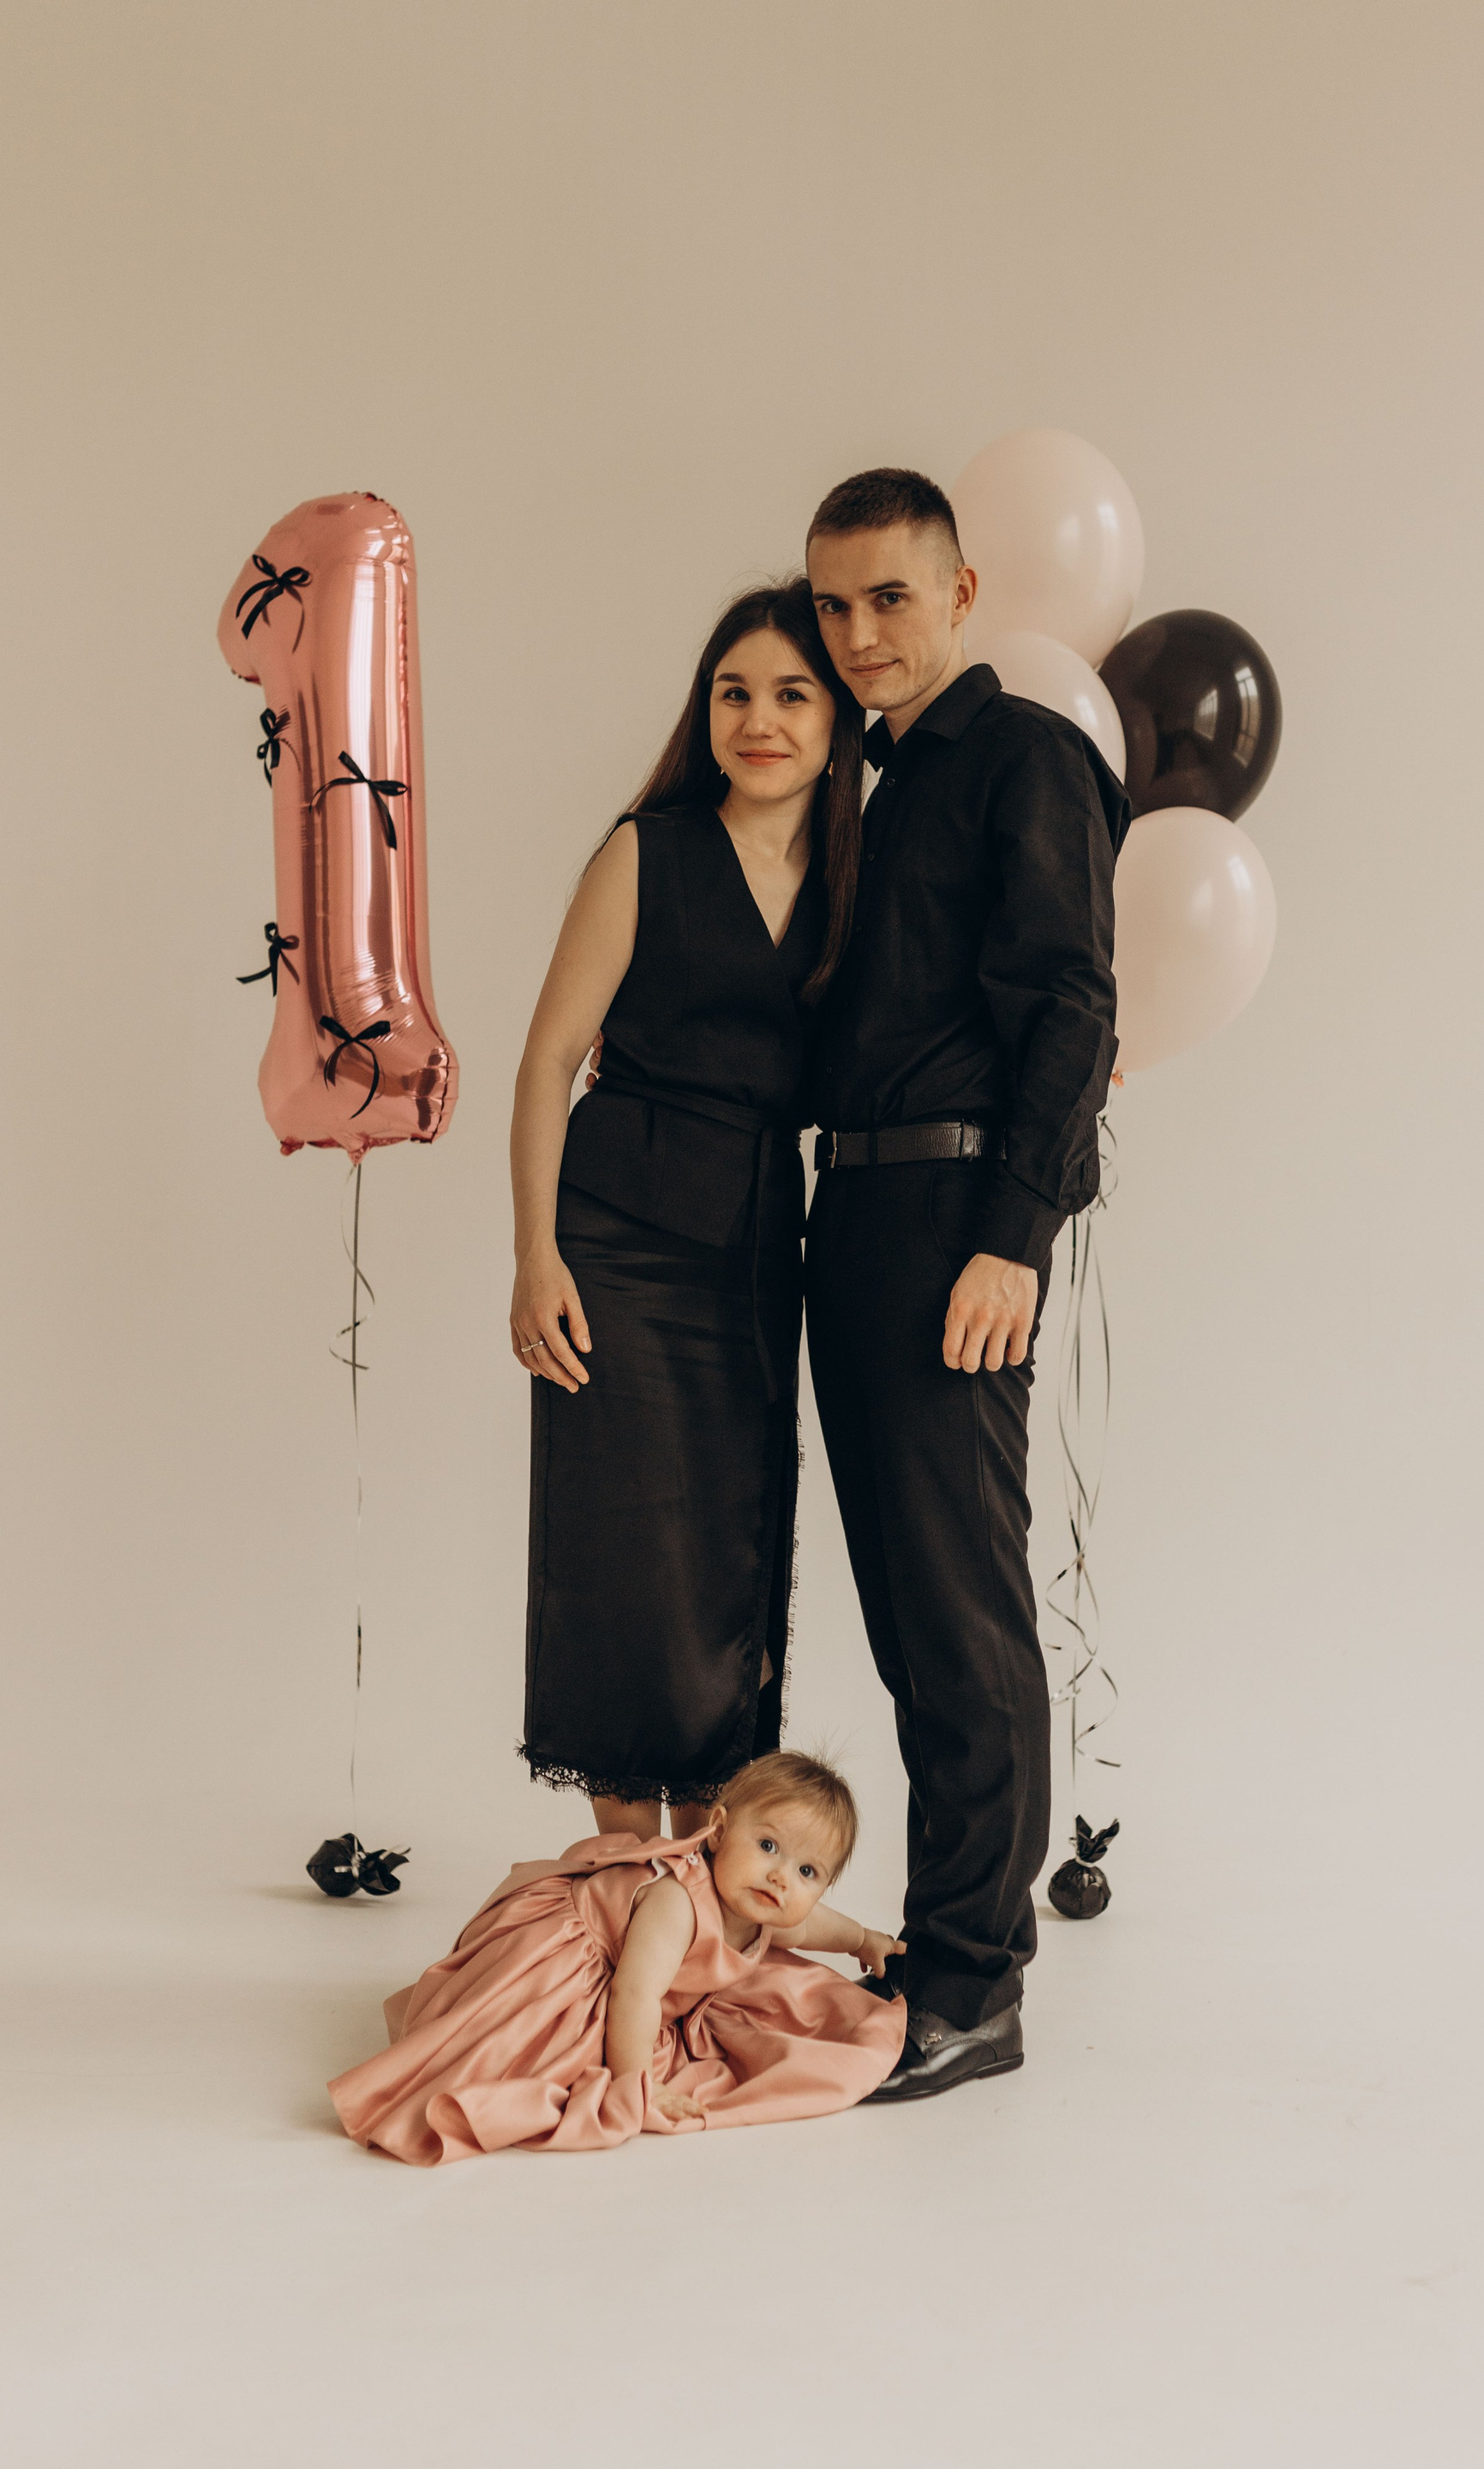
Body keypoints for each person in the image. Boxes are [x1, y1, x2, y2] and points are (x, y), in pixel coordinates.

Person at [803, 467, 1132, 2101]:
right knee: (908, 1620)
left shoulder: (1023, 758)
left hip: (955, 1221)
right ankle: (944, 1940)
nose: (860, 632)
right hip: (852, 1218)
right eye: (834, 603)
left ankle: (977, 1984)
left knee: (963, 1613)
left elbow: (1075, 1004)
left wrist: (1014, 1234)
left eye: (890, 597)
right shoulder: (862, 787)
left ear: (962, 594)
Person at [509, 582, 865, 1843]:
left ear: (837, 719)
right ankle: (623, 1865)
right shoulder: (646, 851)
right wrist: (535, 1255)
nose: (758, 720)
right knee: (620, 1553)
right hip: (616, 1244)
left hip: (760, 1253)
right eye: (733, 692)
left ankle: (706, 1871)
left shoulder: (857, 881)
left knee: (729, 1552)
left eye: (791, 694)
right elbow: (549, 1060)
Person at [328, 1753, 907, 2159]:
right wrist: (637, 2083)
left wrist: (865, 1940)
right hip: (573, 1960)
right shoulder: (677, 1903)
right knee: (535, 2052)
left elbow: (811, 1927)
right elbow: (635, 1994)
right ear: (718, 1831)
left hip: (635, 1974)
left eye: (807, 1871)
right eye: (768, 1845)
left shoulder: (766, 1905)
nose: (781, 1876)